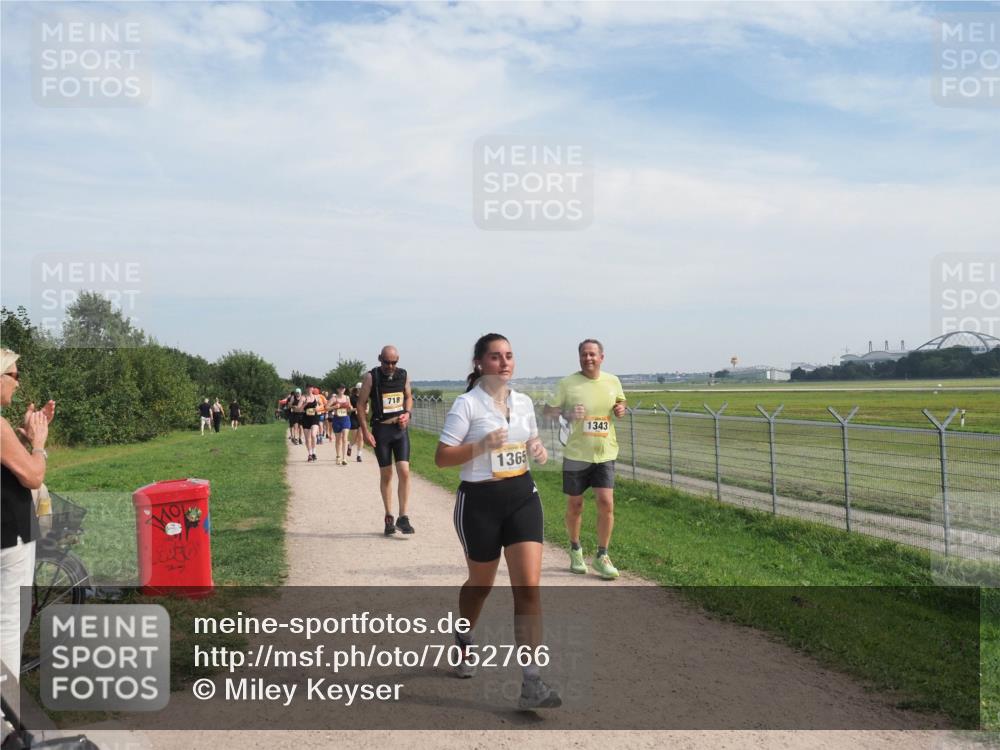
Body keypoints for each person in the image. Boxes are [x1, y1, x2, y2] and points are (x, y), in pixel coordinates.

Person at [435, 333, 560, 710]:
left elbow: (531, 441)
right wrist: (481, 446)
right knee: (481, 585)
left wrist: (536, 448)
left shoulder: (523, 403)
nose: (504, 362)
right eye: (495, 357)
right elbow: (442, 458)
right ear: (479, 363)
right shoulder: (467, 405)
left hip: (522, 497)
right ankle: (464, 637)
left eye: (509, 356)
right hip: (479, 503)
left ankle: (532, 681)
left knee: (528, 588)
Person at [544, 339, 626, 580]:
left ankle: (602, 556)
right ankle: (576, 549)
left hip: (605, 452)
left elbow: (620, 401)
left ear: (602, 357)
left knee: (606, 502)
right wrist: (568, 413)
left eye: (592, 354)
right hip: (576, 455)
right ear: (579, 357)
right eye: (583, 355)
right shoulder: (568, 383)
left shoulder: (613, 381)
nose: (588, 358)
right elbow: (548, 411)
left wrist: (621, 409)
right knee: (575, 505)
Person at [1, 349, 54, 684]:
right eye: (14, 375)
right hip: (8, 535)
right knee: (8, 624)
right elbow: (33, 475)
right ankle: (4, 724)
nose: (18, 384)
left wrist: (22, 435)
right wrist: (38, 444)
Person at [357, 346, 414, 535]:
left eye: (394, 362)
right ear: (379, 359)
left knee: (404, 471)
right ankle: (389, 516)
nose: (390, 366)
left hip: (400, 430)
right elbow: (360, 404)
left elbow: (408, 397)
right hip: (381, 430)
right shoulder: (371, 377)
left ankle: (403, 517)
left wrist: (407, 413)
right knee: (387, 474)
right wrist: (365, 431)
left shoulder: (403, 375)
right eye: (386, 362)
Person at [328, 385, 352, 465]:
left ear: (345, 389)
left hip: (345, 419)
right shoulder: (334, 398)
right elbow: (326, 407)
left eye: (343, 388)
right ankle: (338, 456)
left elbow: (350, 407)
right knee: (338, 440)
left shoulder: (347, 398)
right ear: (338, 389)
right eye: (340, 388)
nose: (342, 389)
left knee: (345, 438)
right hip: (337, 419)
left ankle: (344, 458)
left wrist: (350, 407)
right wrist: (334, 406)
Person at [301, 387, 321, 462]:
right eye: (308, 388)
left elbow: (323, 405)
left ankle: (314, 453)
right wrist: (305, 403)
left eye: (311, 388)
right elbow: (300, 409)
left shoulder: (317, 397)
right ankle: (309, 454)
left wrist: (318, 408)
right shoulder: (303, 397)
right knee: (307, 438)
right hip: (306, 419)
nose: (309, 389)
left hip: (314, 418)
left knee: (313, 435)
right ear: (306, 389)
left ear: (312, 389)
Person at [347, 383, 363, 462]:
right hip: (353, 418)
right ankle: (350, 446)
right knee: (354, 438)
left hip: (361, 418)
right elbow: (349, 410)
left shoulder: (364, 397)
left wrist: (366, 410)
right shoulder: (351, 398)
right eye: (359, 388)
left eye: (362, 388)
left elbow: (367, 406)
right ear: (357, 389)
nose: (361, 390)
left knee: (361, 436)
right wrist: (356, 409)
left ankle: (359, 455)